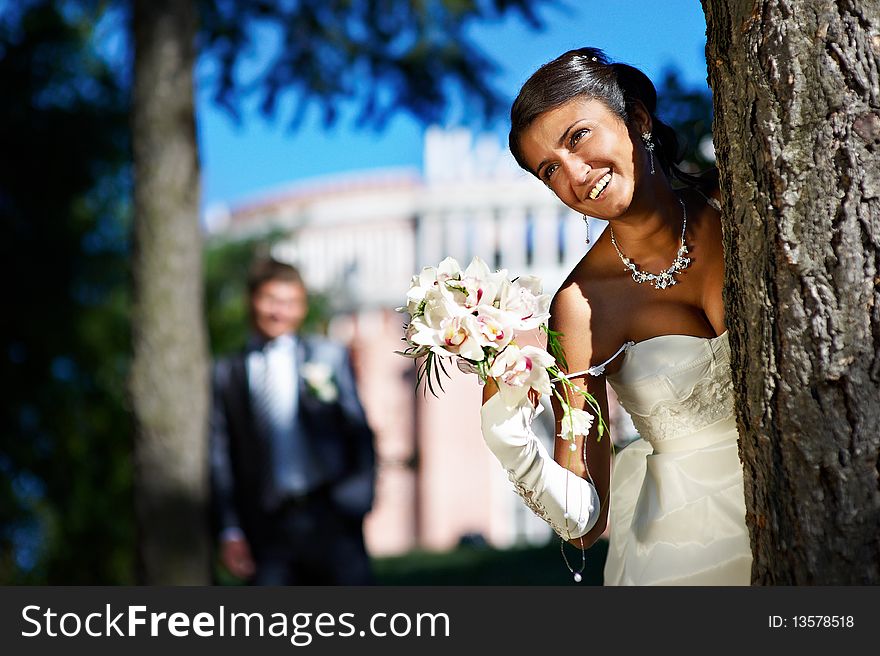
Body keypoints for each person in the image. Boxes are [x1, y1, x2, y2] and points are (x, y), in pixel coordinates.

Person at [479, 48, 753, 585]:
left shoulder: (743, 200)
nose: (576, 175)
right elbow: (584, 522)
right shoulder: (580, 306)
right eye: (549, 169)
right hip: (687, 554)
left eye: (578, 136)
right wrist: (507, 436)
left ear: (638, 118)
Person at [209, 257, 376, 585]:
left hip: (331, 516)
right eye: (271, 300)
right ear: (252, 301)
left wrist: (356, 501)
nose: (279, 311)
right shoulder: (228, 372)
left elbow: (358, 430)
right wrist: (230, 529)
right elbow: (221, 454)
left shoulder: (328, 355)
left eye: (290, 302)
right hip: (267, 528)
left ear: (301, 308)